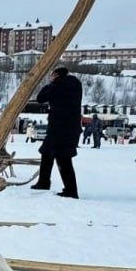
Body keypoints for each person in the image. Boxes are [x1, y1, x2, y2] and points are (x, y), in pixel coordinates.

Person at [30, 66, 82, 198]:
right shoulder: (75, 84)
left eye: (52, 75)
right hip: (68, 128)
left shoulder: (57, 85)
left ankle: (71, 190)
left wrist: (51, 83)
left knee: (64, 159)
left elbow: (40, 98)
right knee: (46, 153)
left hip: (60, 128)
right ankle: (43, 182)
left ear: (56, 75)